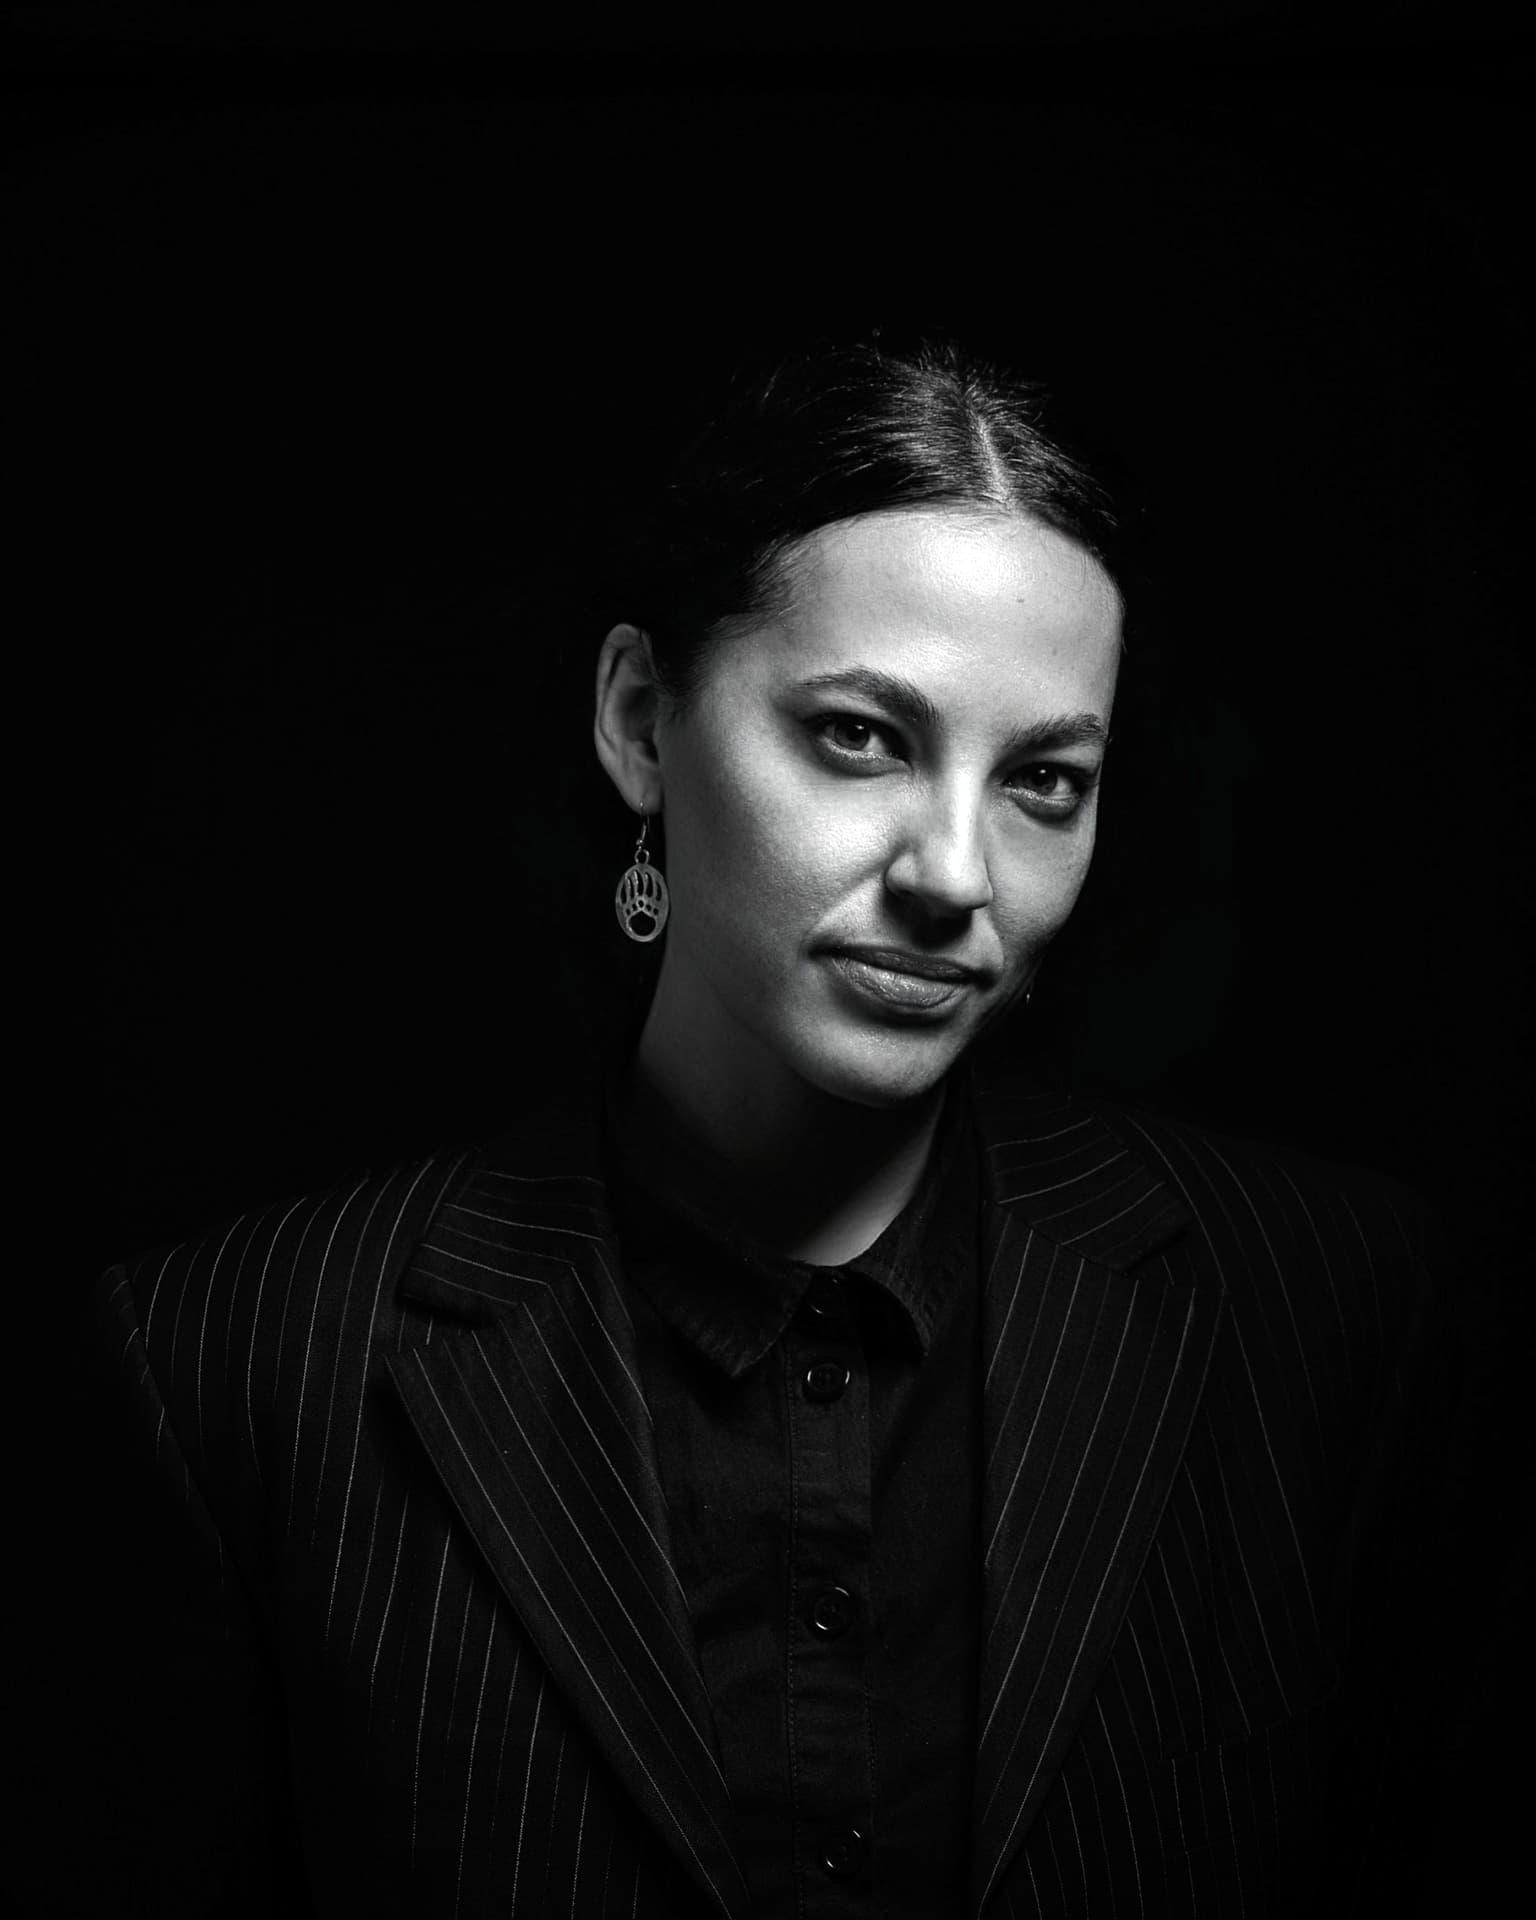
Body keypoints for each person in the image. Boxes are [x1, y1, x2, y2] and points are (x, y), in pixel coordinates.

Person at [81, 337, 1451, 1918]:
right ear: (638, 719)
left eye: (1044, 781)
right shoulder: (236, 1364)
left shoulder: (1328, 1304)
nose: (956, 875)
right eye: (861, 735)